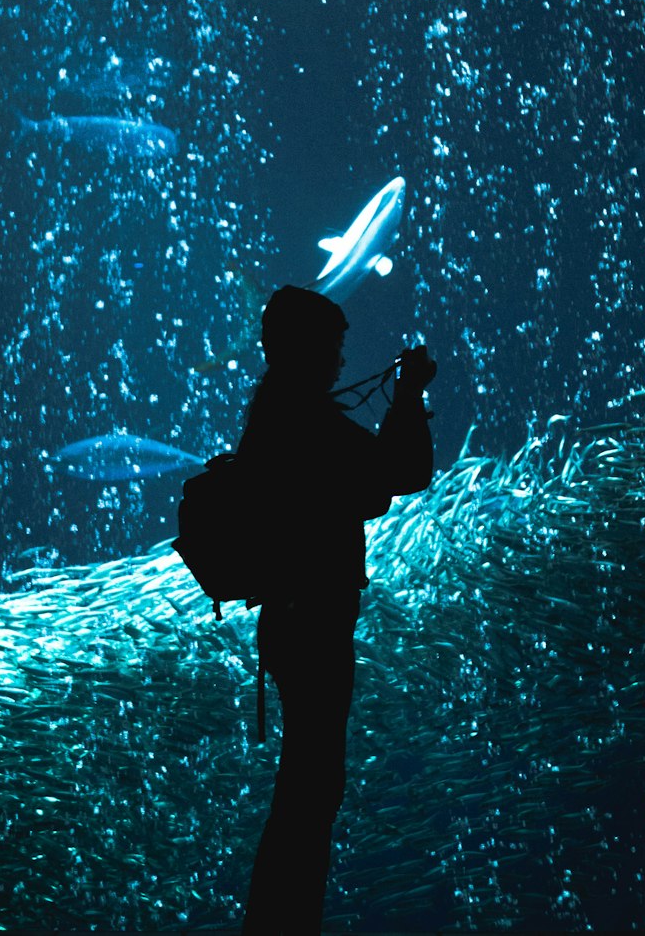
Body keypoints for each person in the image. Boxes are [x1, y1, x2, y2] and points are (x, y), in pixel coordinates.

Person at [238, 285, 436, 935]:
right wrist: (408, 394)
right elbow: (402, 471)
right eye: (331, 345)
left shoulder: (275, 409)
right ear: (304, 346)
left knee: (308, 785)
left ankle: (281, 919)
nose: (338, 360)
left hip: (294, 622)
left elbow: (372, 480)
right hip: (311, 623)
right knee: (311, 789)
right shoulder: (299, 415)